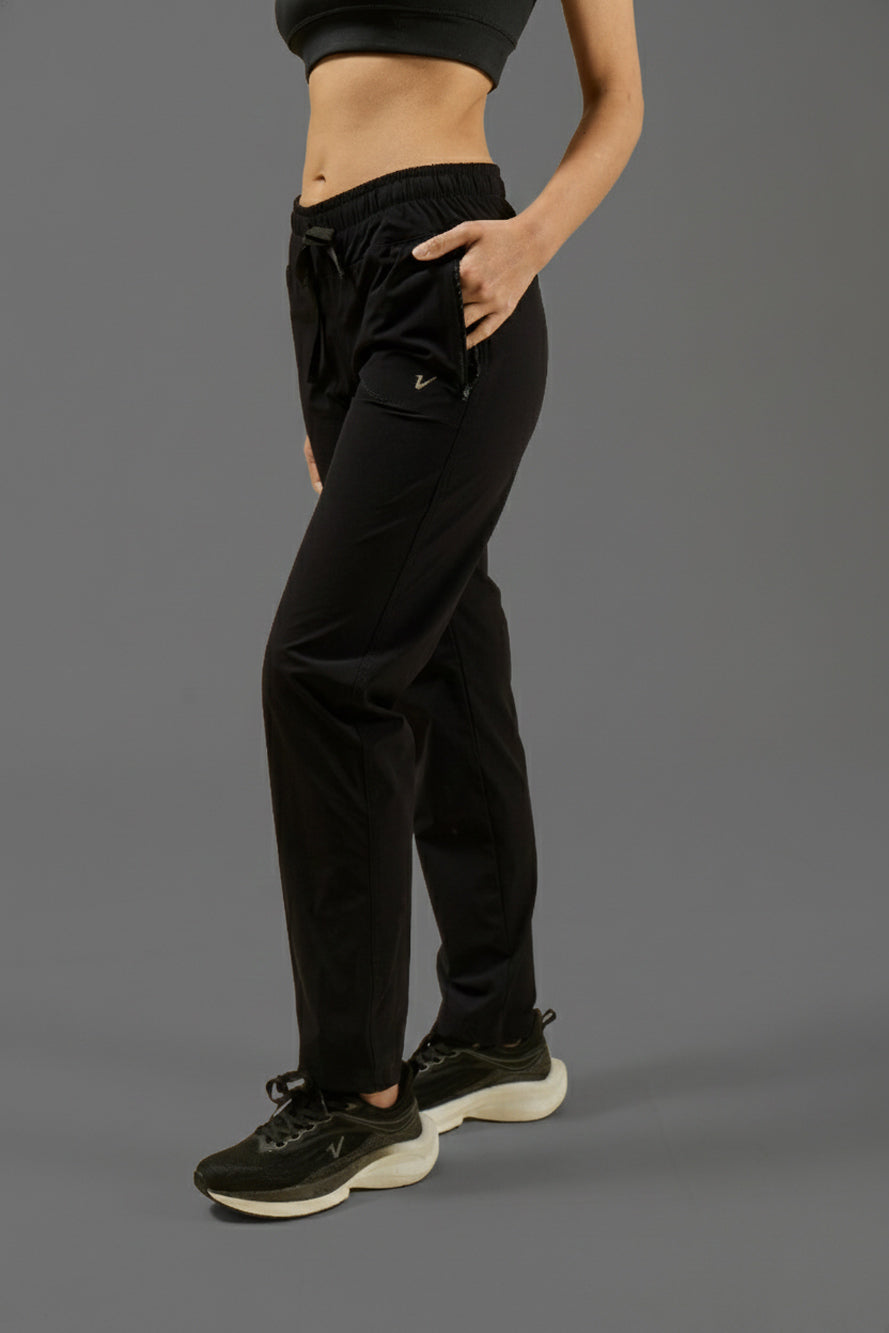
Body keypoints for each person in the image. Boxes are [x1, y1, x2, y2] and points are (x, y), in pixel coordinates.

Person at [194, 0, 644, 1219]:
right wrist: (325, 353)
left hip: (449, 271)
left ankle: (358, 1100)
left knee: (323, 670)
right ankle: (495, 1030)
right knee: (440, 639)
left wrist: (533, 238)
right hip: (327, 276)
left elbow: (619, 100)